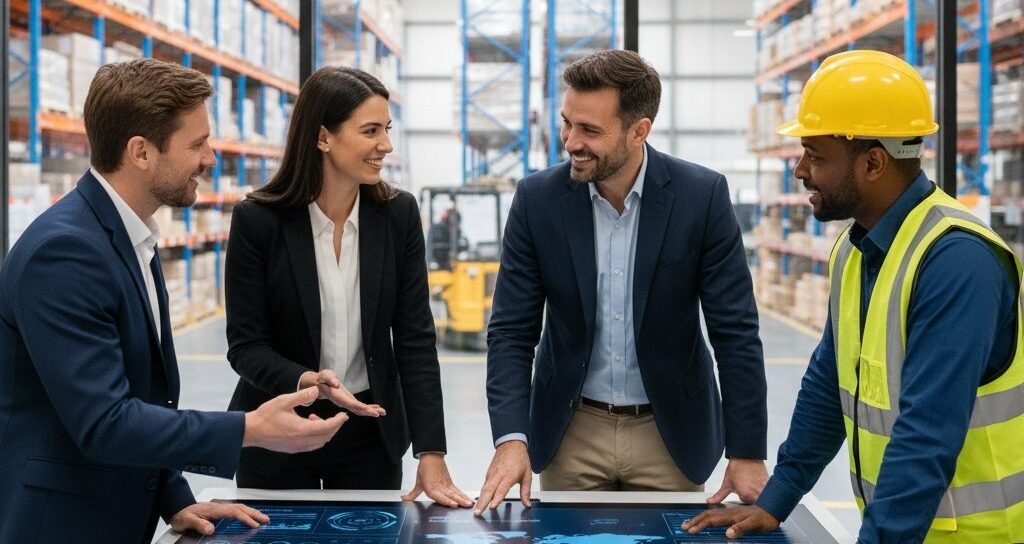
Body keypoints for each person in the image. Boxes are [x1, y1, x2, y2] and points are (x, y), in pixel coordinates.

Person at [0, 58, 347, 544]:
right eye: (197, 144)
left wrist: (174, 497)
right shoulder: (65, 253)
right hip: (64, 524)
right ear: (141, 152)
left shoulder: (130, 237)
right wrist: (248, 428)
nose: (210, 158)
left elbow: (140, 395)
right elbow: (104, 421)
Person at [683, 50, 1024, 543]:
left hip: (975, 535)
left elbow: (926, 437)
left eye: (815, 155)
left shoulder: (957, 262)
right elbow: (829, 383)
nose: (800, 169)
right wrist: (778, 498)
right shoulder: (856, 247)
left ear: (873, 162)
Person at [476, 49, 768, 515]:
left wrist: (747, 450)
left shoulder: (701, 197)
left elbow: (735, 333)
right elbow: (511, 332)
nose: (571, 142)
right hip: (571, 431)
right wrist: (512, 438)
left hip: (669, 432)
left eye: (590, 130)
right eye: (568, 123)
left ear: (639, 131)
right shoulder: (537, 201)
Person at [225, 66, 471, 508]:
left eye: (387, 129)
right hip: (278, 426)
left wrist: (430, 451)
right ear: (323, 137)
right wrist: (308, 380)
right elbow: (245, 346)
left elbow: (415, 340)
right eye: (371, 131)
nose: (386, 145)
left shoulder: (397, 216)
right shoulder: (257, 221)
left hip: (369, 432)